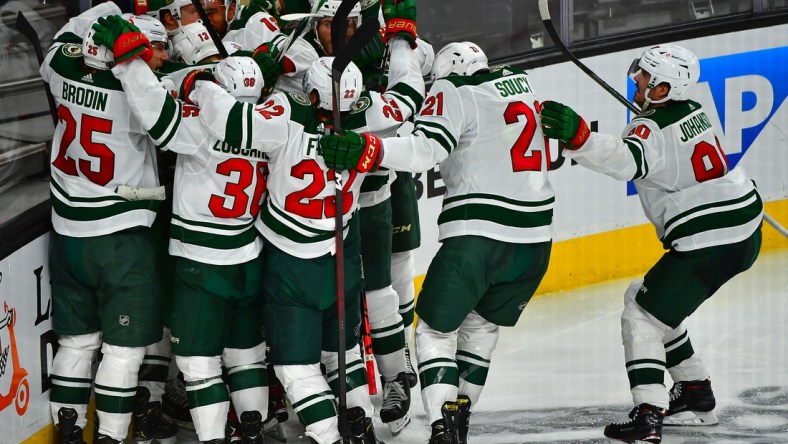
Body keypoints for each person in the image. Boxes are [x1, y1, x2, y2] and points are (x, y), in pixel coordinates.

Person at [319, 41, 554, 444]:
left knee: (433, 332)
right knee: (481, 328)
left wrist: (370, 148)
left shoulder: (452, 90)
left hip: (477, 239)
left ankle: (444, 427)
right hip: (537, 244)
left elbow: (426, 148)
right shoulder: (522, 84)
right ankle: (459, 419)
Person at [539, 43, 763, 443]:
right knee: (650, 303)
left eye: (644, 76)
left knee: (640, 317)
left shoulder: (648, 127)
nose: (636, 79)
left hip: (708, 239)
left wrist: (580, 138)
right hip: (743, 229)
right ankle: (695, 393)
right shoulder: (692, 111)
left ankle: (648, 415)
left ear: (662, 89)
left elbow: (629, 161)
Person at [178, 46, 384, 444]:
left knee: (295, 368)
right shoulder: (372, 120)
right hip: (340, 256)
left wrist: (201, 84)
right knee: (343, 354)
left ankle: (329, 436)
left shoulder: (284, 117)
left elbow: (232, 120)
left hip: (293, 265)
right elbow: (410, 100)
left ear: (310, 95)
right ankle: (361, 424)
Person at [91, 15, 274, 443]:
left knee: (198, 363)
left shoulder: (199, 130)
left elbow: (156, 113)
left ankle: (212, 438)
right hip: (248, 257)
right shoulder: (274, 127)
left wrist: (132, 64)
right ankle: (252, 432)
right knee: (246, 356)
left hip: (201, 263)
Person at [41, 5, 166, 444]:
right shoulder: (132, 92)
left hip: (68, 232)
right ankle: (112, 437)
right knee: (122, 351)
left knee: (76, 345)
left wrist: (111, 12)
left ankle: (68, 432)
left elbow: (64, 38)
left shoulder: (59, 65)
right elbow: (170, 127)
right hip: (120, 237)